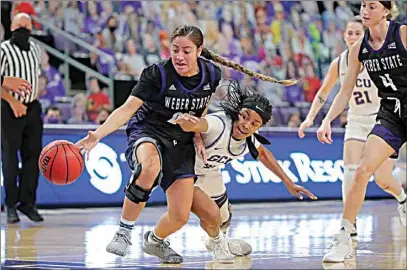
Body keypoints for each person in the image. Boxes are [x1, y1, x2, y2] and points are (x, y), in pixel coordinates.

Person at [76, 24, 297, 264]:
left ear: (199, 51)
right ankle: (124, 231)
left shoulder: (212, 74)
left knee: (181, 216)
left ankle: (155, 242)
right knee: (149, 166)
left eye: (186, 51)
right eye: (175, 50)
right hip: (148, 129)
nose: (179, 56)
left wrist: (196, 135)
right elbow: (128, 108)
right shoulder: (156, 74)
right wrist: (98, 135)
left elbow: (200, 107)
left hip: (180, 140)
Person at [171, 80, 317, 259]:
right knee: (210, 214)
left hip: (210, 172)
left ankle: (217, 240)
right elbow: (199, 124)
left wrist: (288, 183)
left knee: (225, 216)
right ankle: (218, 244)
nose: (247, 124)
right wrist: (186, 121)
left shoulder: (249, 139)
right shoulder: (219, 123)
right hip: (184, 169)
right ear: (237, 112)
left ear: (259, 127)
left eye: (254, 123)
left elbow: (263, 154)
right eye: (245, 116)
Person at [315, 1, 407, 262]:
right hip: (391, 114)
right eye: (364, 5)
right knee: (362, 171)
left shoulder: (401, 34)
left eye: (372, 5)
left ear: (386, 10)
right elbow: (344, 91)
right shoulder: (359, 49)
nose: (365, 10)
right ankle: (344, 237)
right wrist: (327, 120)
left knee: (379, 176)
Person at [1, 13, 44, 224]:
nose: (23, 28)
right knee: (10, 157)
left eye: (26, 25)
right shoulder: (3, 50)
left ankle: (28, 203)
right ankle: (10, 205)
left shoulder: (36, 49)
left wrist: (35, 94)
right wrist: (13, 101)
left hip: (33, 109)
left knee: (32, 158)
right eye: (19, 25)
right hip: (9, 109)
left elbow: (36, 75)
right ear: (11, 27)